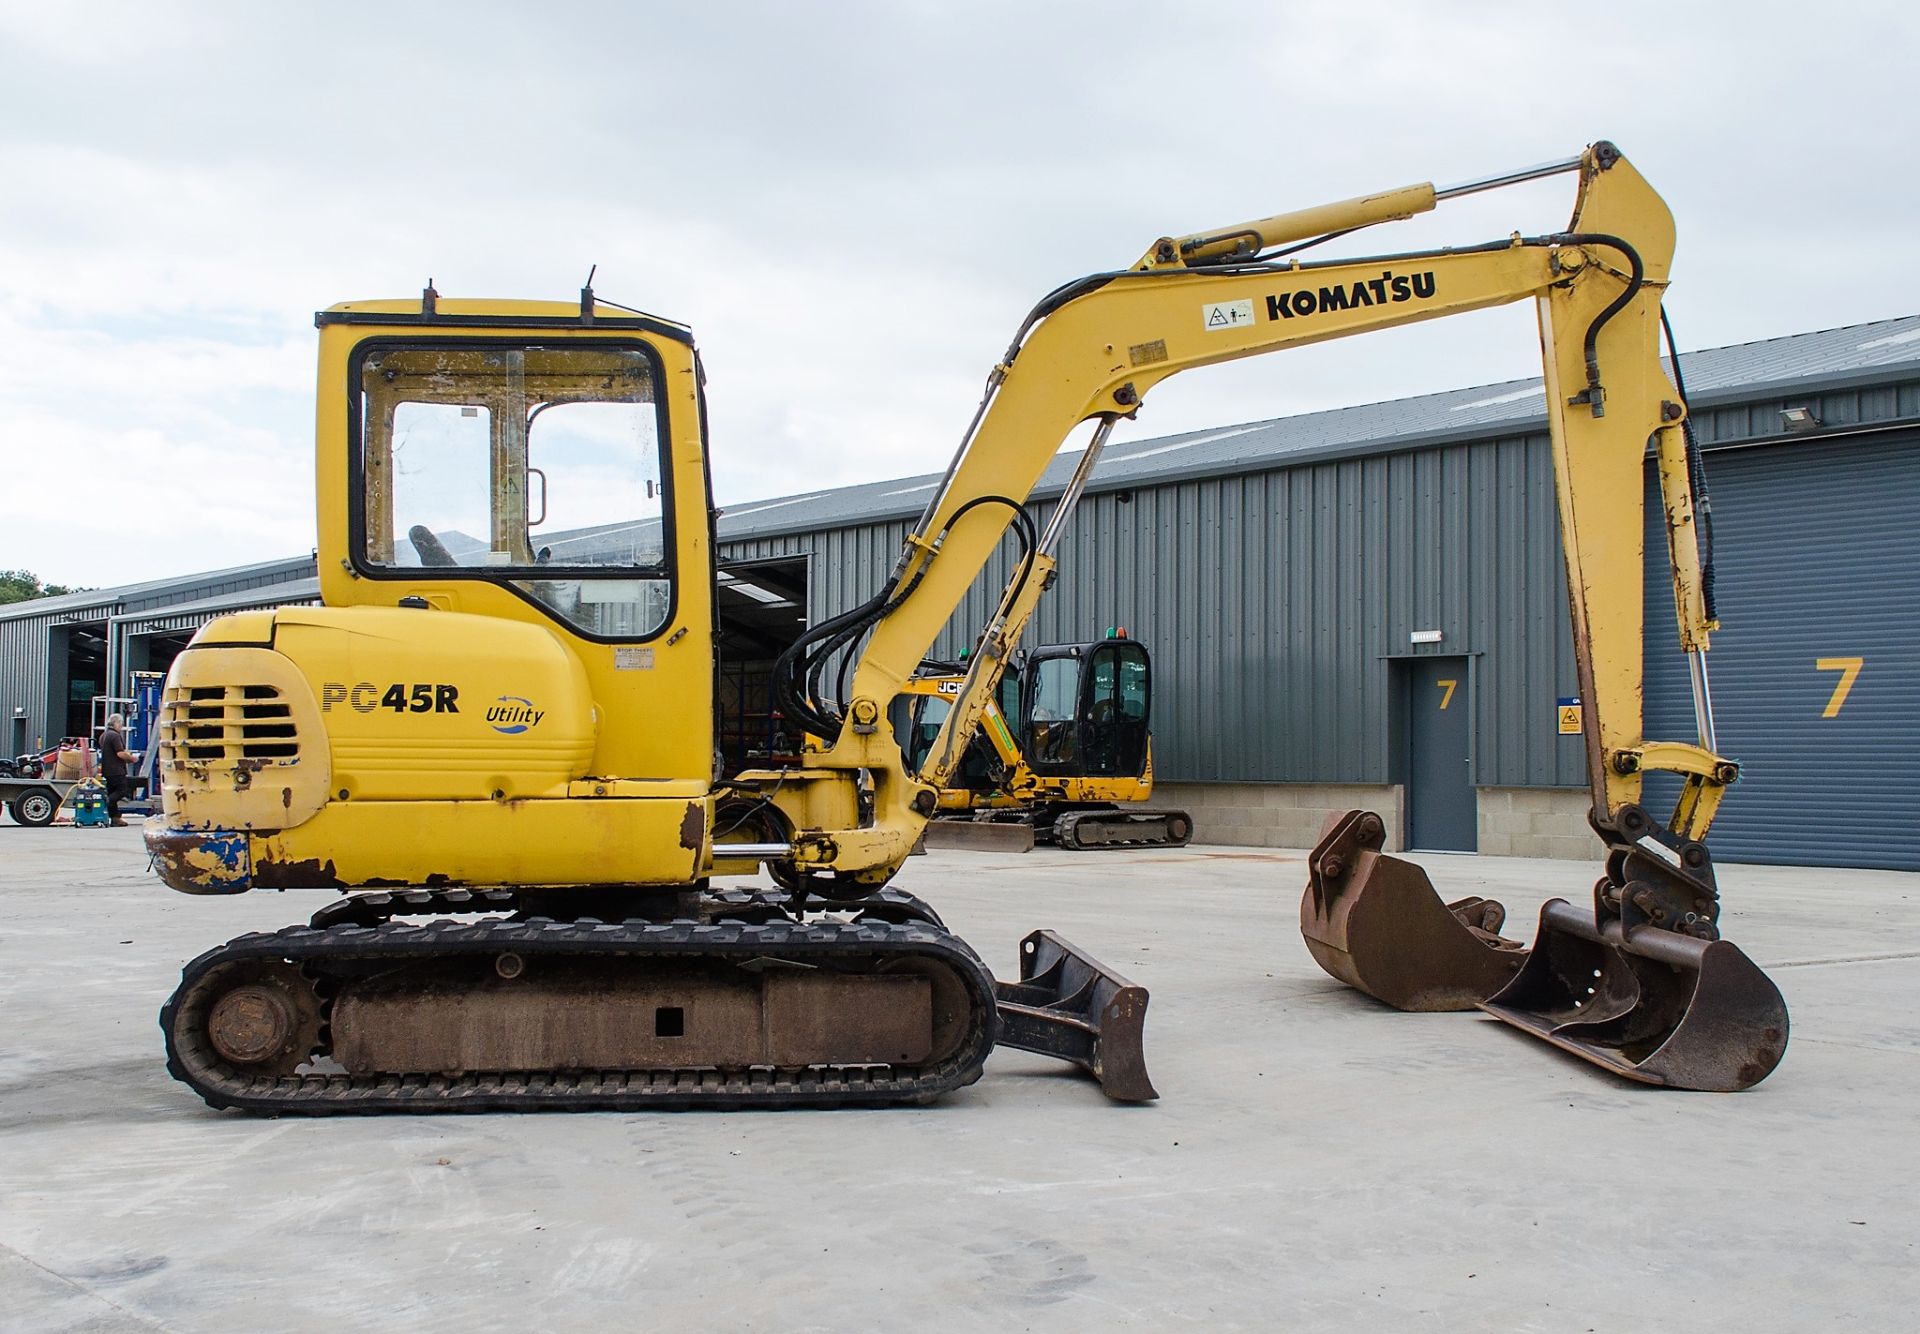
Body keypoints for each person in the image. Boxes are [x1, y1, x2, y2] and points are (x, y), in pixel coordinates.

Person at [97, 712, 136, 827]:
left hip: (107, 770)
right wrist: (131, 758)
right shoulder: (115, 736)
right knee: (122, 791)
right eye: (121, 724)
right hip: (117, 770)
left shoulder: (103, 735)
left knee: (112, 791)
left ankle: (115, 818)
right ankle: (106, 802)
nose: (122, 727)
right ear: (115, 723)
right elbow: (119, 753)